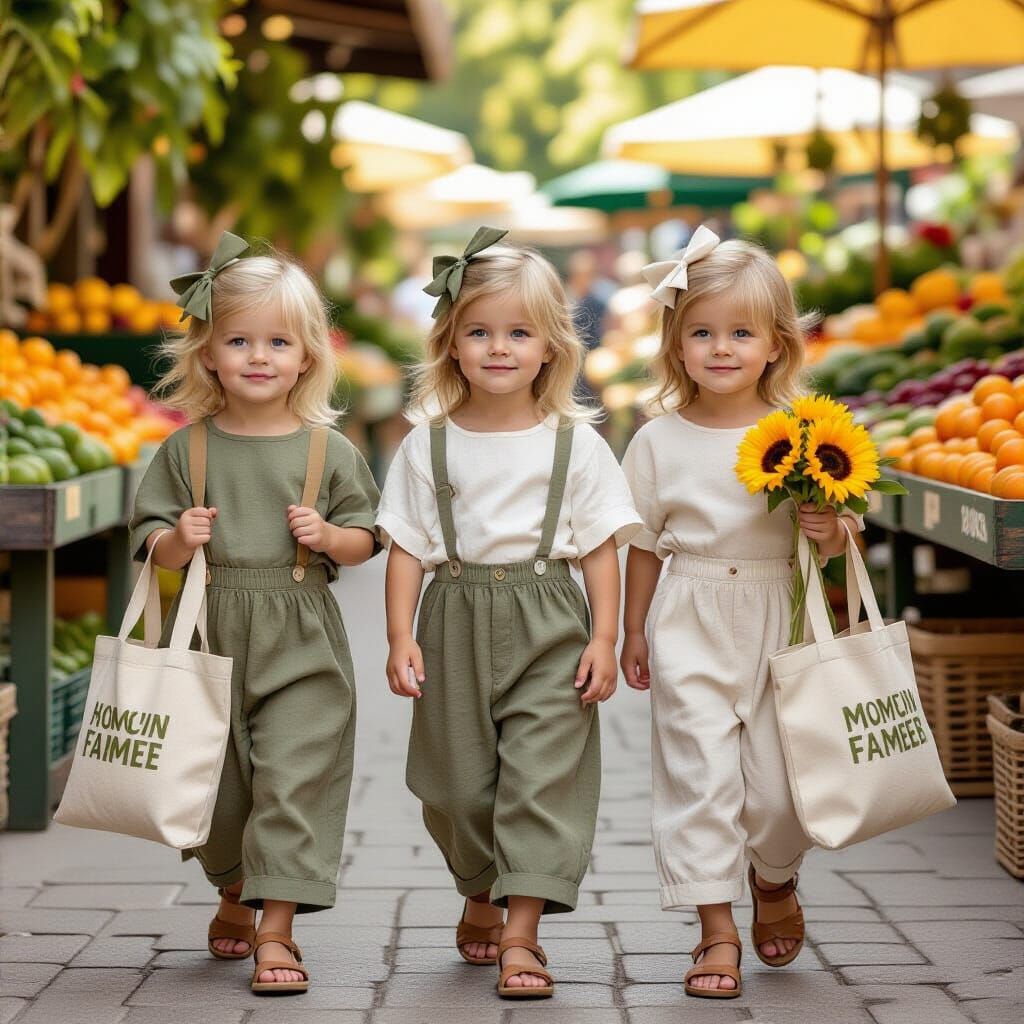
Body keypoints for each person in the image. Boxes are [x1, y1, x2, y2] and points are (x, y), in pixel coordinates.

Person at [376, 228, 640, 1000]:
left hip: (550, 619)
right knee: (456, 787)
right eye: (480, 331)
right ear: (450, 344)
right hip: (452, 614)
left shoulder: (577, 445)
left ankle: (522, 934)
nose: (499, 348)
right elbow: (402, 548)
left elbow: (599, 548)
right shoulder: (426, 445)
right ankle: (478, 884)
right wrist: (399, 637)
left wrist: (603, 635)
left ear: (551, 347)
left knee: (541, 779)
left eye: (519, 332)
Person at [129, 233, 380, 995]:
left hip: (301, 631)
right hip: (211, 630)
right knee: (222, 787)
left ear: (308, 357)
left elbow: (368, 538)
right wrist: (177, 538)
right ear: (208, 355)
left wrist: (328, 535)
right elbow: (148, 543)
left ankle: (277, 929)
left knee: (292, 777)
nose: (259, 356)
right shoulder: (188, 448)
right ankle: (235, 888)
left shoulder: (327, 451)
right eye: (239, 341)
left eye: (279, 342)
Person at [620, 226, 860, 1000]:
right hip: (690, 611)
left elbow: (839, 530)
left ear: (775, 345)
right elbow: (644, 546)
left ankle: (775, 873)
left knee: (782, 786)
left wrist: (830, 527)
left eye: (740, 333)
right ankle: (714, 929)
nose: (721, 348)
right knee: (700, 776)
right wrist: (631, 628)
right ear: (676, 343)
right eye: (702, 332)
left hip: (778, 614)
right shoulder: (657, 440)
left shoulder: (802, 432)